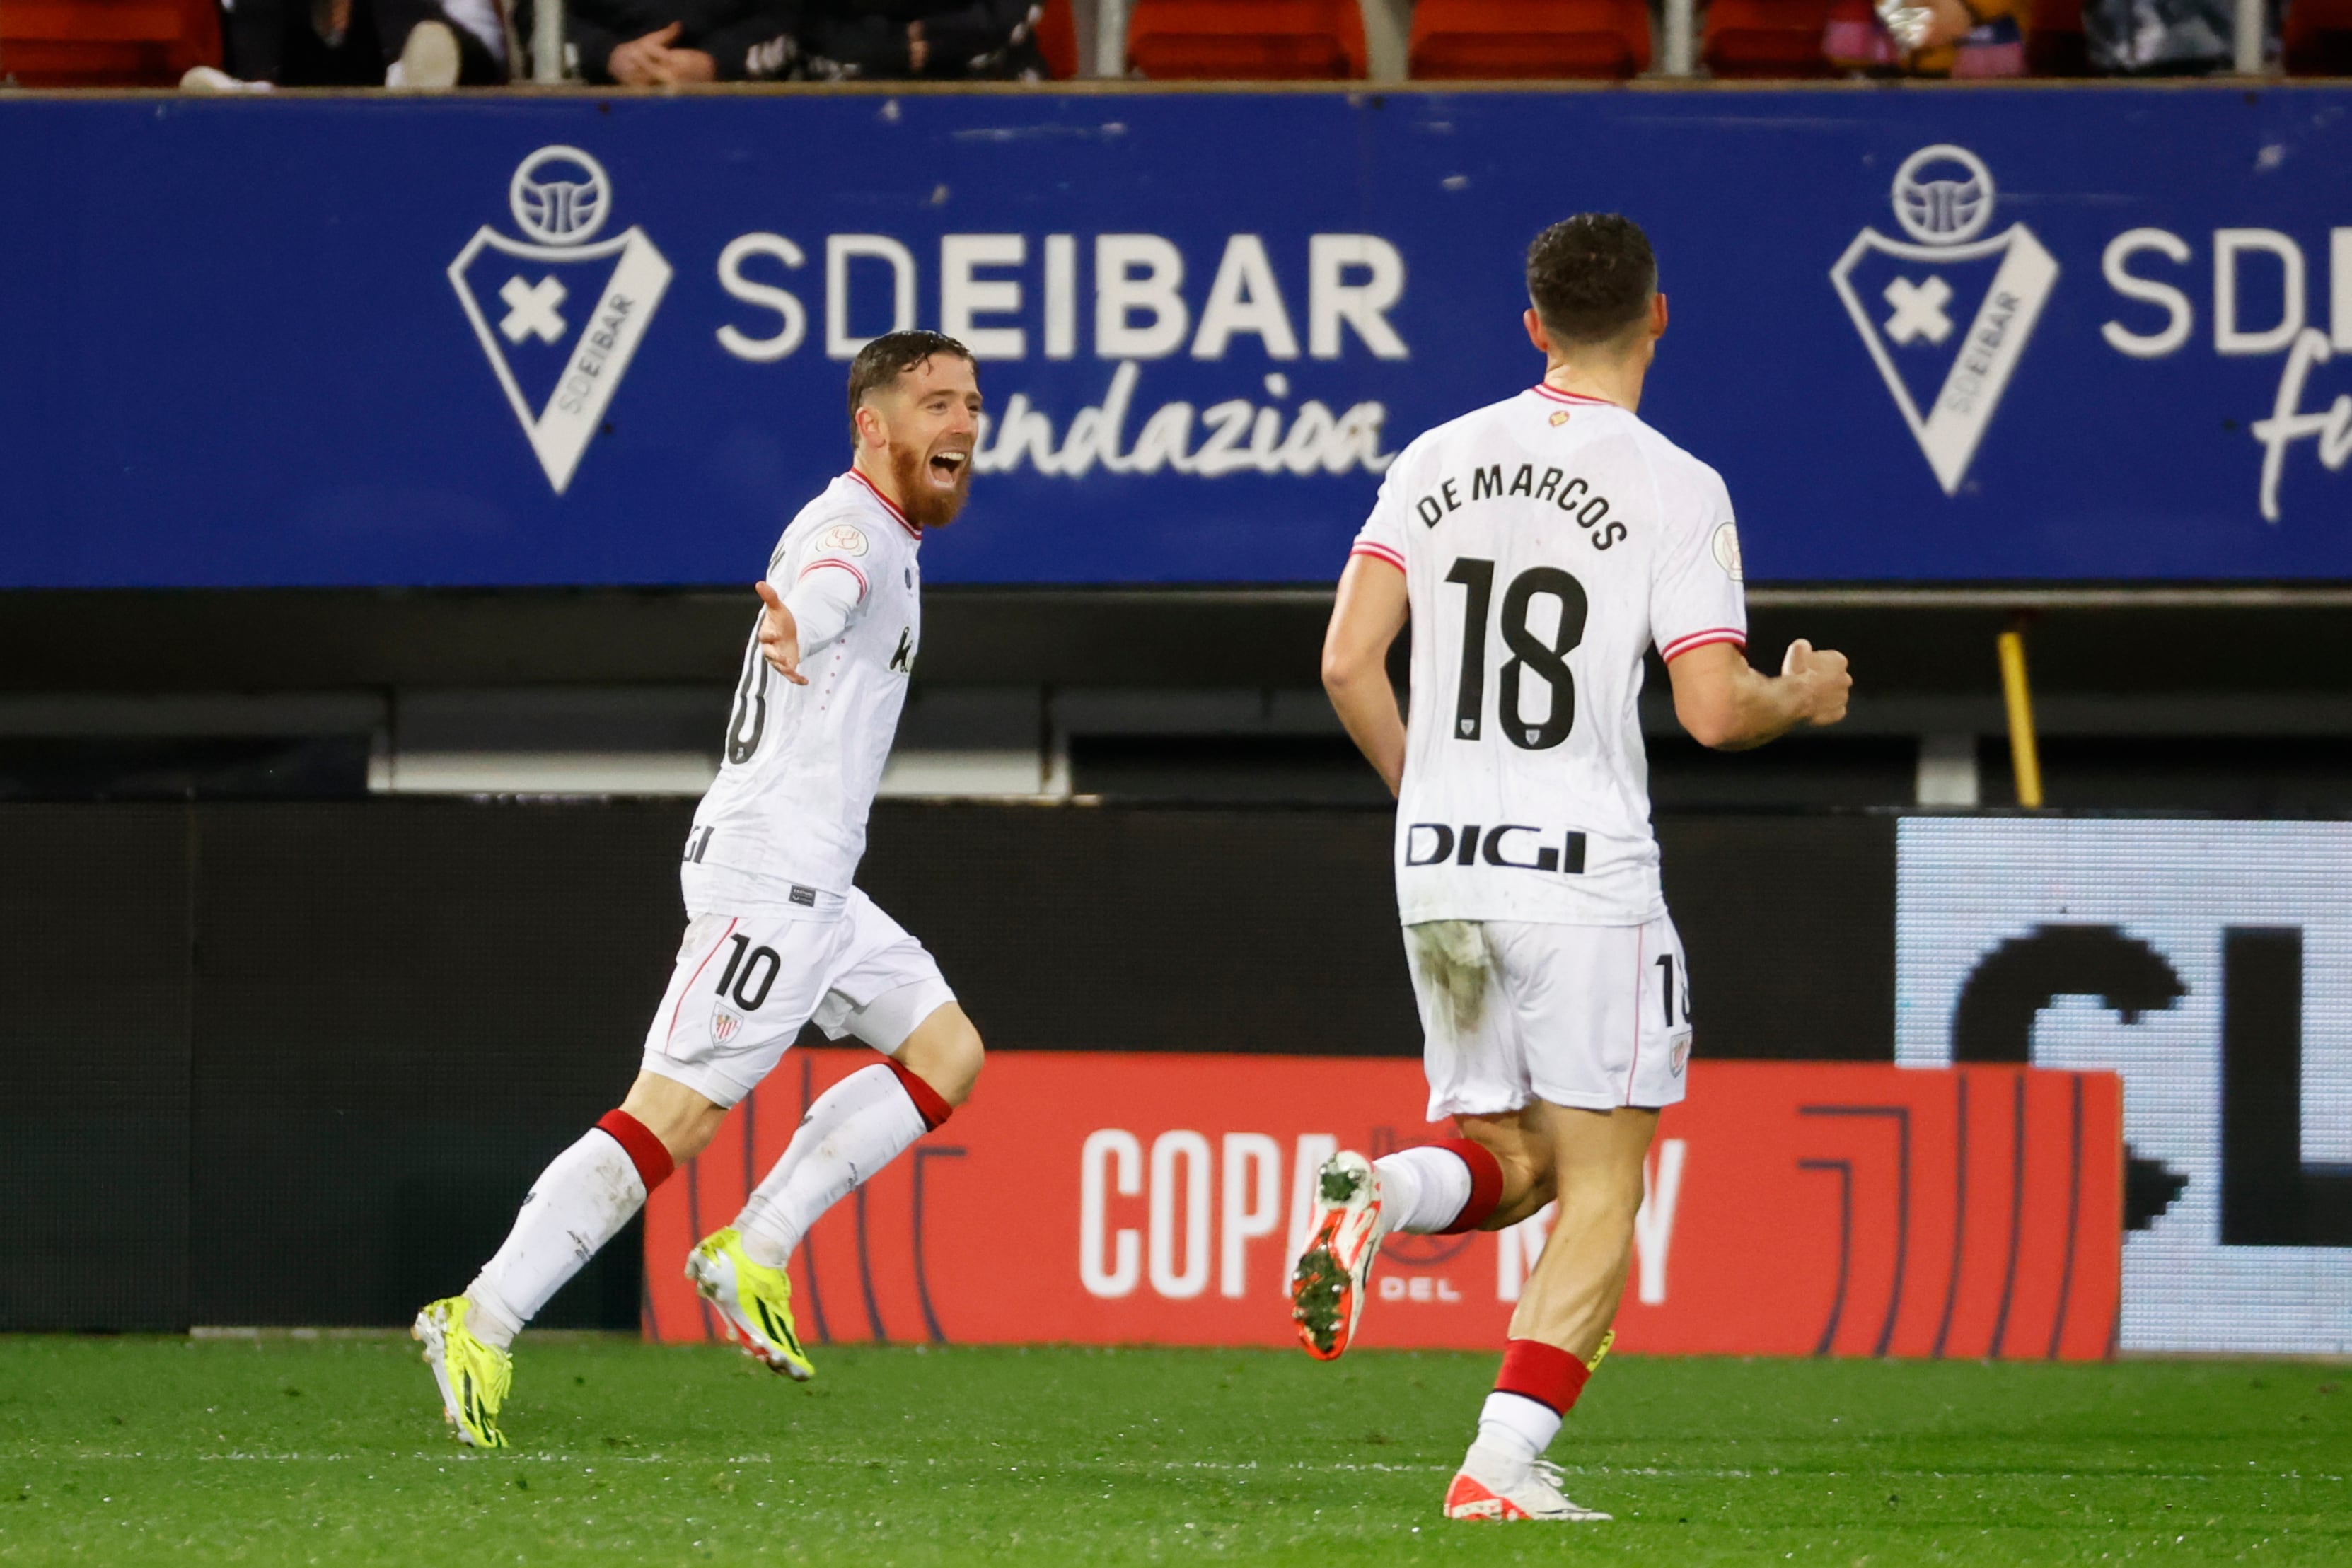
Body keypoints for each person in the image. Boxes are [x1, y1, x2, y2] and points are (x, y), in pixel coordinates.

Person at [1293, 214, 1853, 1523]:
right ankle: (1498, 1465)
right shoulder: (1674, 482)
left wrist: (1429, 796)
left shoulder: (1435, 457)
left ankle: (1375, 1190)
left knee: (1514, 1152)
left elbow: (1343, 661)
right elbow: (1714, 710)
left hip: (1437, 869)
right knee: (1606, 1185)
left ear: (1532, 324)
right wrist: (1805, 692)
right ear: (1660, 316)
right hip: (1581, 871)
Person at [413, 330, 987, 1449]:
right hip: (774, 882)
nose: (961, 421)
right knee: (668, 1120)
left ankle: (753, 1248)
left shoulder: (891, 531)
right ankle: (479, 1316)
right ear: (872, 424)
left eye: (971, 401)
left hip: (816, 881)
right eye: (934, 403)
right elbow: (820, 588)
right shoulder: (851, 533)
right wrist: (799, 617)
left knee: (946, 1053)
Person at [521, 0, 801, 84]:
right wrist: (609, 56)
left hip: (743, 107)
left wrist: (715, 63)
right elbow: (532, 15)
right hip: (596, 105)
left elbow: (801, 16)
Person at [793, 0, 1051, 79]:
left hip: (984, 77)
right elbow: (803, 20)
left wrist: (934, 36)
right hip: (849, 76)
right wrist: (892, 45)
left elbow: (1005, 16)